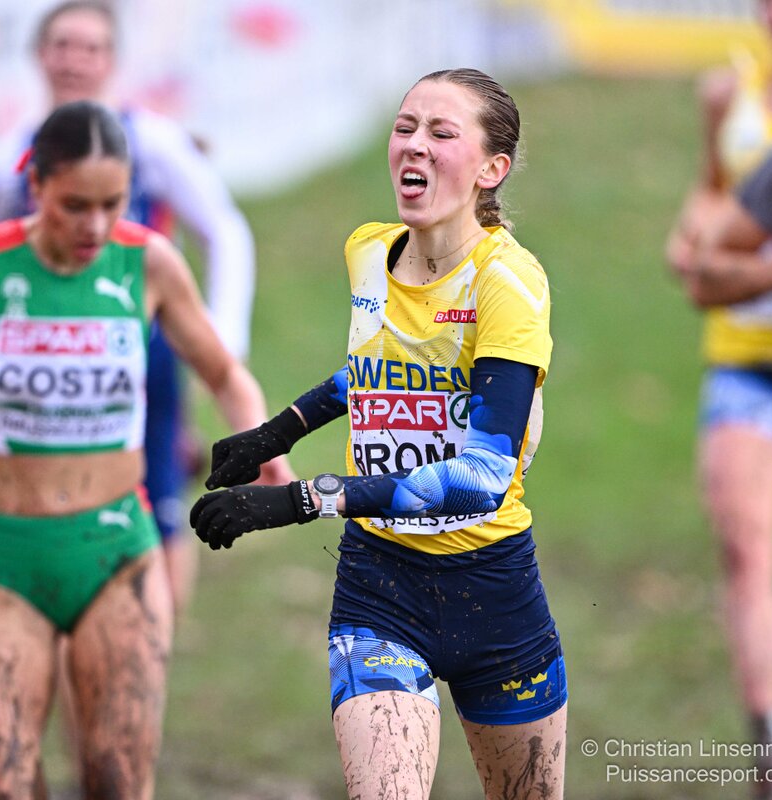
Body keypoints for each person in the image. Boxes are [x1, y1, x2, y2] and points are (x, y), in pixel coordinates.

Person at [0, 101, 290, 800]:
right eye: (75, 205)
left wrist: (261, 442)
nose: (96, 226)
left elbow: (224, 372)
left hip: (117, 555)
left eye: (113, 203)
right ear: (35, 185)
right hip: (7, 560)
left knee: (116, 783)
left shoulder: (148, 263)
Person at [190, 68, 566, 800]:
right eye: (404, 127)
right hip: (379, 588)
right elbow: (375, 371)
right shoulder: (368, 251)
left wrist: (301, 499)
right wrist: (277, 432)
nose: (414, 144)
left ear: (492, 169)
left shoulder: (508, 284)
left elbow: (483, 478)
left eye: (441, 132)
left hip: (495, 596)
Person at [0, 0, 257, 616]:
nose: (75, 61)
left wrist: (222, 343)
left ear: (113, 60)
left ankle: (151, 647)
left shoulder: (151, 142)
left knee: (158, 506)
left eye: (92, 48)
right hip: (43, 377)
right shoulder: (5, 165)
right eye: (63, 45)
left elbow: (225, 231)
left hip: (144, 360)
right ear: (38, 55)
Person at [665, 2, 772, 792]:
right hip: (745, 359)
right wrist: (691, 238)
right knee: (745, 548)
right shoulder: (730, 96)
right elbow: (709, 202)